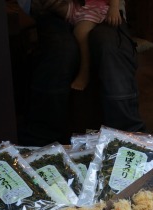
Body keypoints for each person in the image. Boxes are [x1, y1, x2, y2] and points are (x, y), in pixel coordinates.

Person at [16, 0, 145, 146]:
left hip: (103, 9)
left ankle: (127, 138)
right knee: (60, 52)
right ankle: (40, 142)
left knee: (109, 48)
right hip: (55, 11)